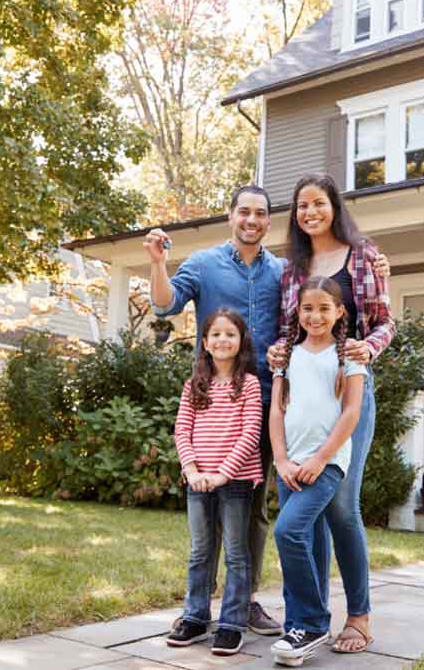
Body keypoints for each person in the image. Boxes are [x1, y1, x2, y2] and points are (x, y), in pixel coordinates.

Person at [145, 185, 286, 635]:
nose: (251, 219)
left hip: (265, 406)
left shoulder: (281, 271)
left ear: (268, 221)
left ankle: (242, 604)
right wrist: (157, 263)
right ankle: (198, 608)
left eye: (260, 213)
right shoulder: (204, 264)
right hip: (213, 407)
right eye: (244, 211)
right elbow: (165, 304)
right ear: (231, 217)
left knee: (254, 511)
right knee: (207, 514)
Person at [267, 172, 394, 654]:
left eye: (318, 203)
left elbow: (385, 321)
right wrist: (279, 355)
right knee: (308, 510)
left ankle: (359, 616)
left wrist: (366, 349)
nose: (310, 212)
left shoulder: (363, 254)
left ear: (333, 206)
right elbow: (288, 328)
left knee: (342, 506)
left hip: (349, 384)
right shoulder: (291, 266)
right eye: (301, 206)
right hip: (304, 388)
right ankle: (310, 617)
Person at [269, 276, 366, 667]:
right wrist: (280, 459)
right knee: (301, 537)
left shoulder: (349, 356)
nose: (315, 315)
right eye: (308, 308)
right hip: (289, 462)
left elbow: (352, 413)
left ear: (340, 312)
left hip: (325, 464)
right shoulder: (285, 356)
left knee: (288, 530)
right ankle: (299, 628)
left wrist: (321, 458)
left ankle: (311, 622)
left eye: (325, 308)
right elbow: (277, 410)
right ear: (298, 311)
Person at [168, 309, 263, 656]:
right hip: (198, 481)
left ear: (241, 343)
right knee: (199, 552)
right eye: (216, 335)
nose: (223, 340)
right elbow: (182, 429)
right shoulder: (195, 385)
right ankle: (194, 617)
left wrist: (224, 472)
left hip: (235, 481)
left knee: (236, 554)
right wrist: (192, 470)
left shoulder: (249, 384)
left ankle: (232, 623)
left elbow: (251, 432)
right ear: (205, 343)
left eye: (230, 334)